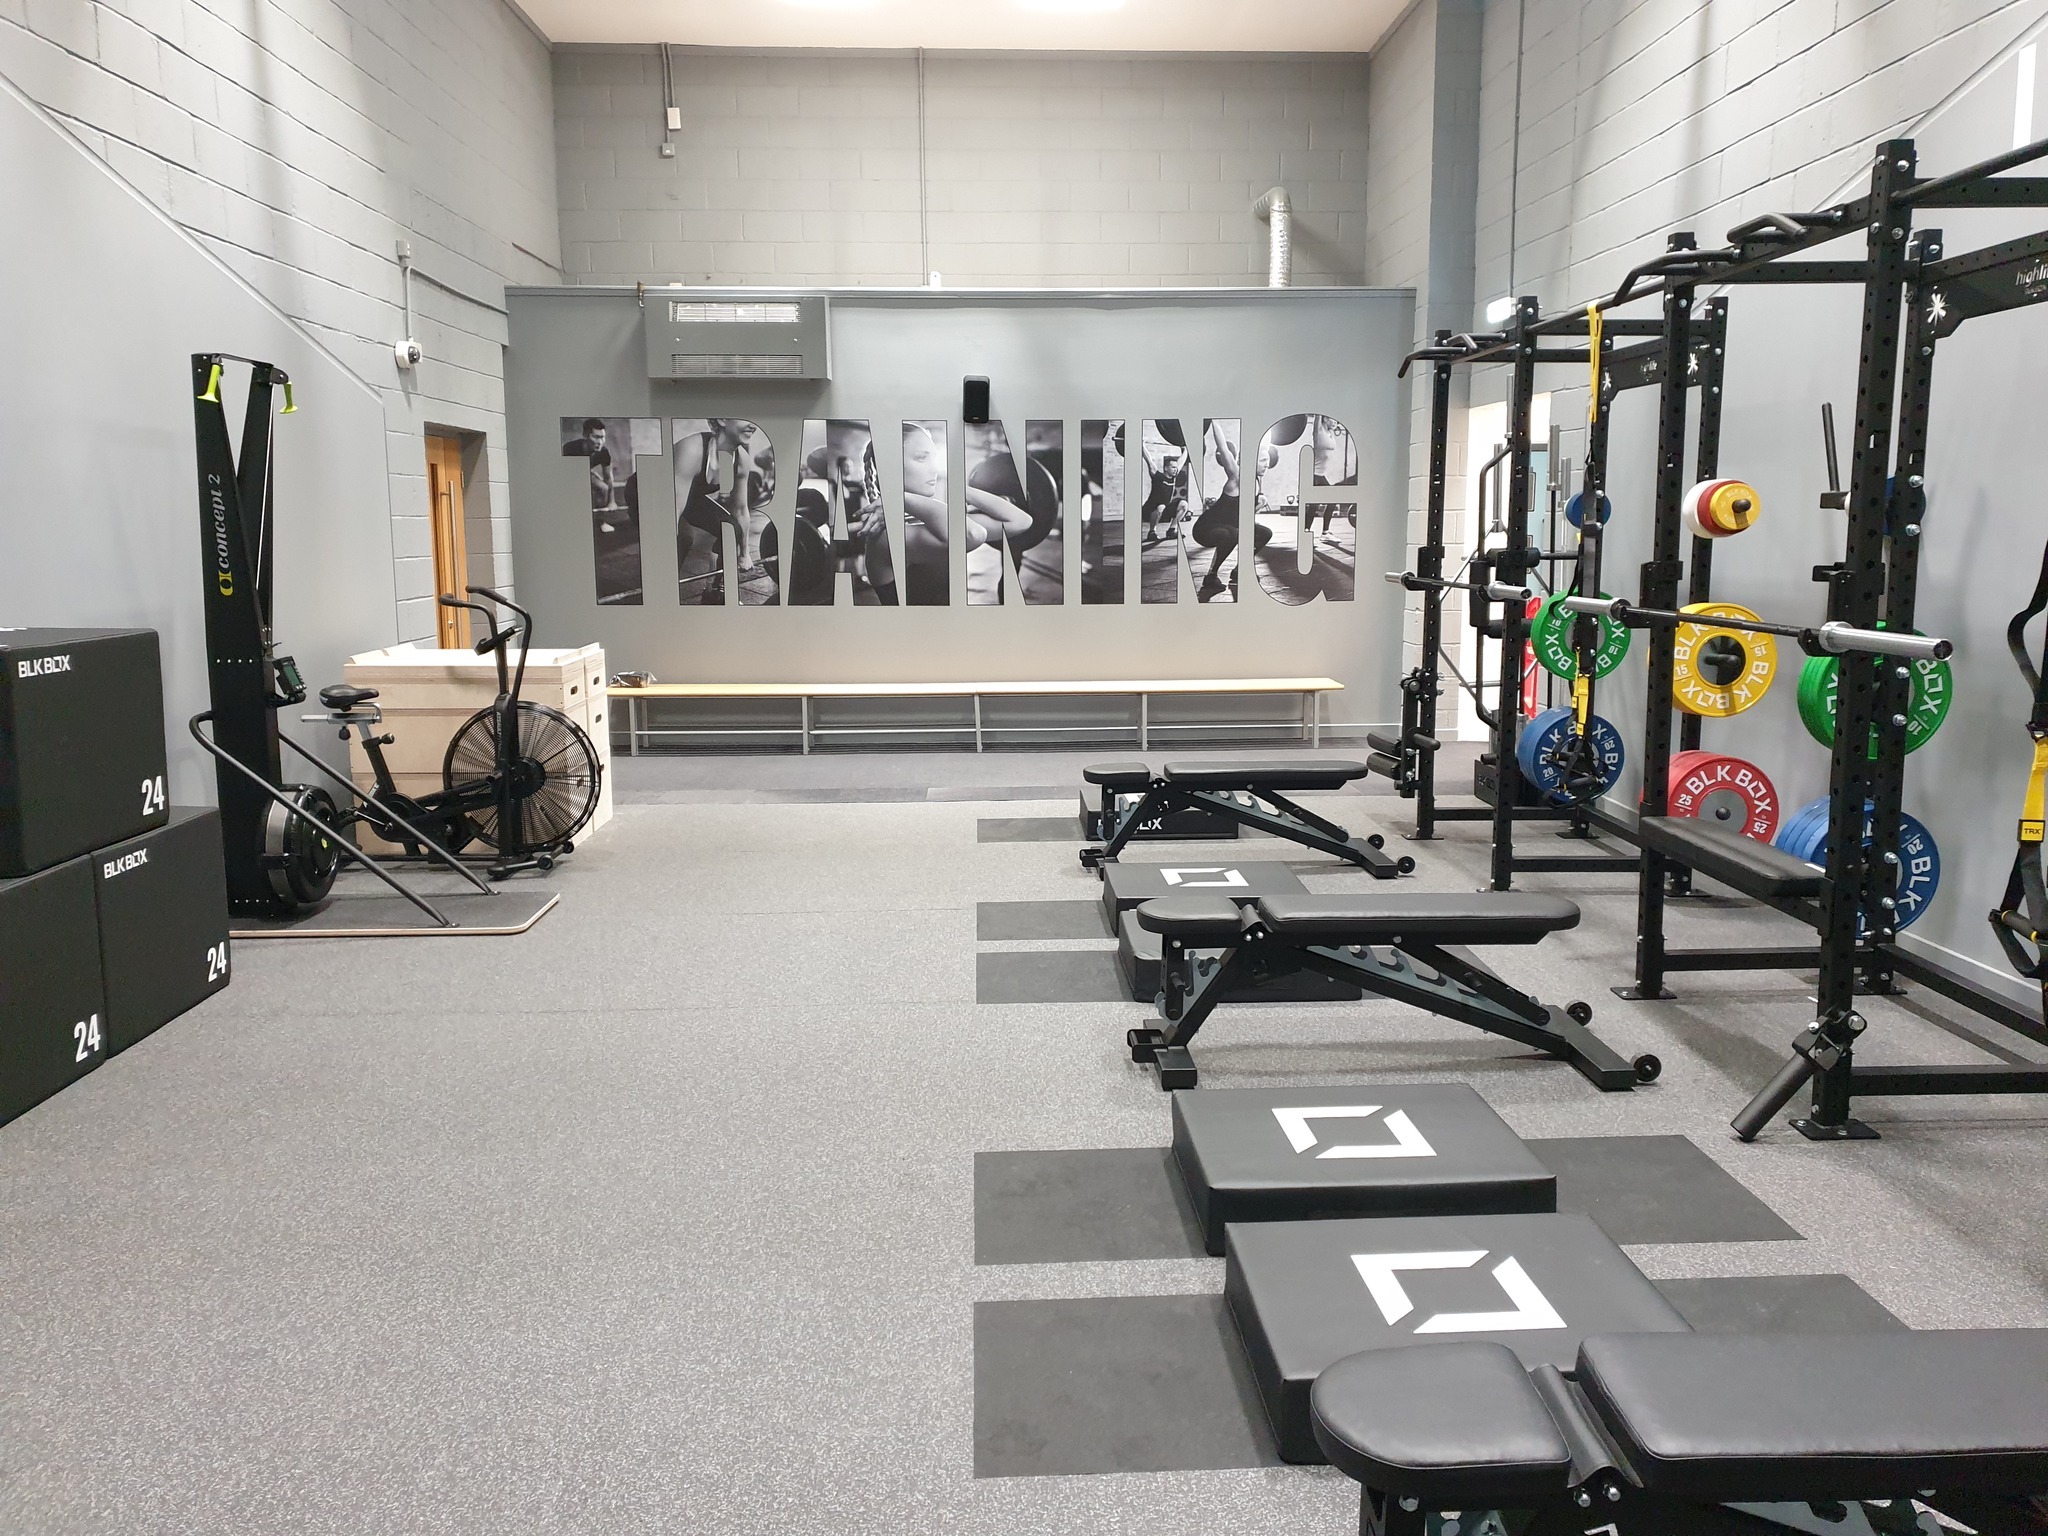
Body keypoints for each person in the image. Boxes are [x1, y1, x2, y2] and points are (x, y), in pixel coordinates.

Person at [673, 419, 764, 605]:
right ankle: (662, 594)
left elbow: (740, 509)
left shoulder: (741, 459)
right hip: (646, 492)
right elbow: (672, 510)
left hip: (689, 496)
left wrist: (744, 554)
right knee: (682, 536)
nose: (753, 425)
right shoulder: (693, 450)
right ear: (722, 420)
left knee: (731, 528)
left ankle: (713, 591)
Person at [901, 421, 949, 606]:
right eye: (922, 458)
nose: (935, 469)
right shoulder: (886, 535)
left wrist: (900, 498)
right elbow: (974, 533)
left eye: (933, 459)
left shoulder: (928, 520)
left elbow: (1019, 521)